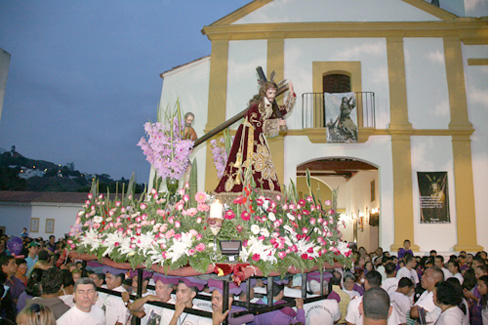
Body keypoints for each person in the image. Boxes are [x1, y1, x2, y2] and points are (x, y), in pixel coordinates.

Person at [214, 79, 295, 201]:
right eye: (270, 93)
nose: (273, 96)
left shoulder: (270, 106)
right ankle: (242, 190)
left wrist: (291, 94)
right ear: (264, 93)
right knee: (247, 162)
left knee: (264, 163)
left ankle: (263, 193)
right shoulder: (255, 106)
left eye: (274, 93)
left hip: (258, 137)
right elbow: (257, 123)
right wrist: (277, 124)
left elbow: (282, 110)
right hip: (247, 135)